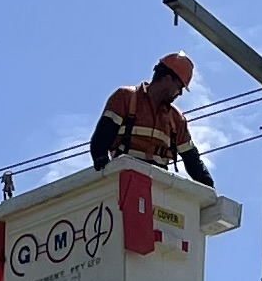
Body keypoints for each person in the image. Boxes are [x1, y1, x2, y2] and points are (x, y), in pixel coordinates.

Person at [89, 53, 211, 183]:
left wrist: (209, 187)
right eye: (179, 87)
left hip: (157, 184)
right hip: (125, 176)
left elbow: (193, 161)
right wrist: (103, 166)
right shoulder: (126, 98)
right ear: (167, 79)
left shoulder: (176, 120)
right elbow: (101, 139)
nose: (180, 93)